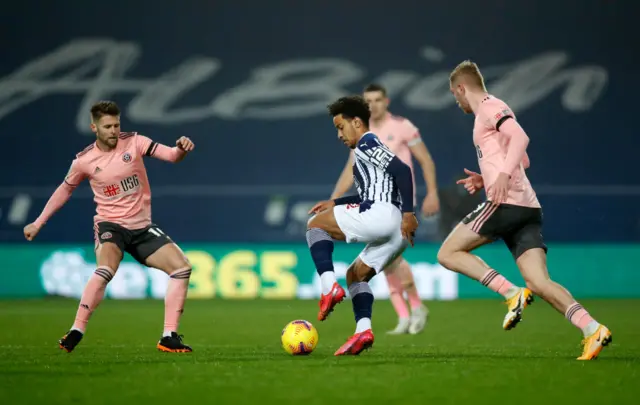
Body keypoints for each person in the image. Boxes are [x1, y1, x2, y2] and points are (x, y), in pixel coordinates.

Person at [437, 60, 612, 360]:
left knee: (447, 253)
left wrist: (501, 176)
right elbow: (524, 159)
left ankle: (509, 292)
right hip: (528, 207)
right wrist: (487, 176)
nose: (457, 101)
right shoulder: (492, 112)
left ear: (462, 88)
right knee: (539, 282)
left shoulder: (490, 108)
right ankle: (592, 328)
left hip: (506, 204)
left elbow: (521, 138)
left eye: (455, 94)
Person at [23, 101, 196, 354]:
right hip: (110, 226)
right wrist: (38, 222)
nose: (114, 130)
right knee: (106, 269)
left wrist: (181, 149)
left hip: (142, 227)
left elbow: (171, 156)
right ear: (94, 128)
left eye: (116, 125)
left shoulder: (135, 142)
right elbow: (65, 190)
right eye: (107, 126)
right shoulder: (84, 161)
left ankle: (168, 336)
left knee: (182, 268)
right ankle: (76, 330)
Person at [306, 95, 419, 356]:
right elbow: (373, 192)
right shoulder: (364, 153)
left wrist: (409, 213)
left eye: (340, 126)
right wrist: (335, 202)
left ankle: (328, 288)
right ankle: (363, 331)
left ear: (356, 122)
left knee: (314, 225)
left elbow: (402, 171)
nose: (338, 135)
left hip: (387, 217)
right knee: (356, 275)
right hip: (396, 231)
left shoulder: (367, 143)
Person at [330, 83, 438, 335]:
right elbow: (350, 170)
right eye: (368, 101)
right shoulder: (359, 132)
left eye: (377, 100)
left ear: (386, 101)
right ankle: (405, 314)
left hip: (399, 203)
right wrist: (334, 198)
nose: (372, 105)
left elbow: (425, 160)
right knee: (386, 261)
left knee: (393, 259)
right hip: (373, 205)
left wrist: (432, 193)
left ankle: (416, 307)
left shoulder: (402, 126)